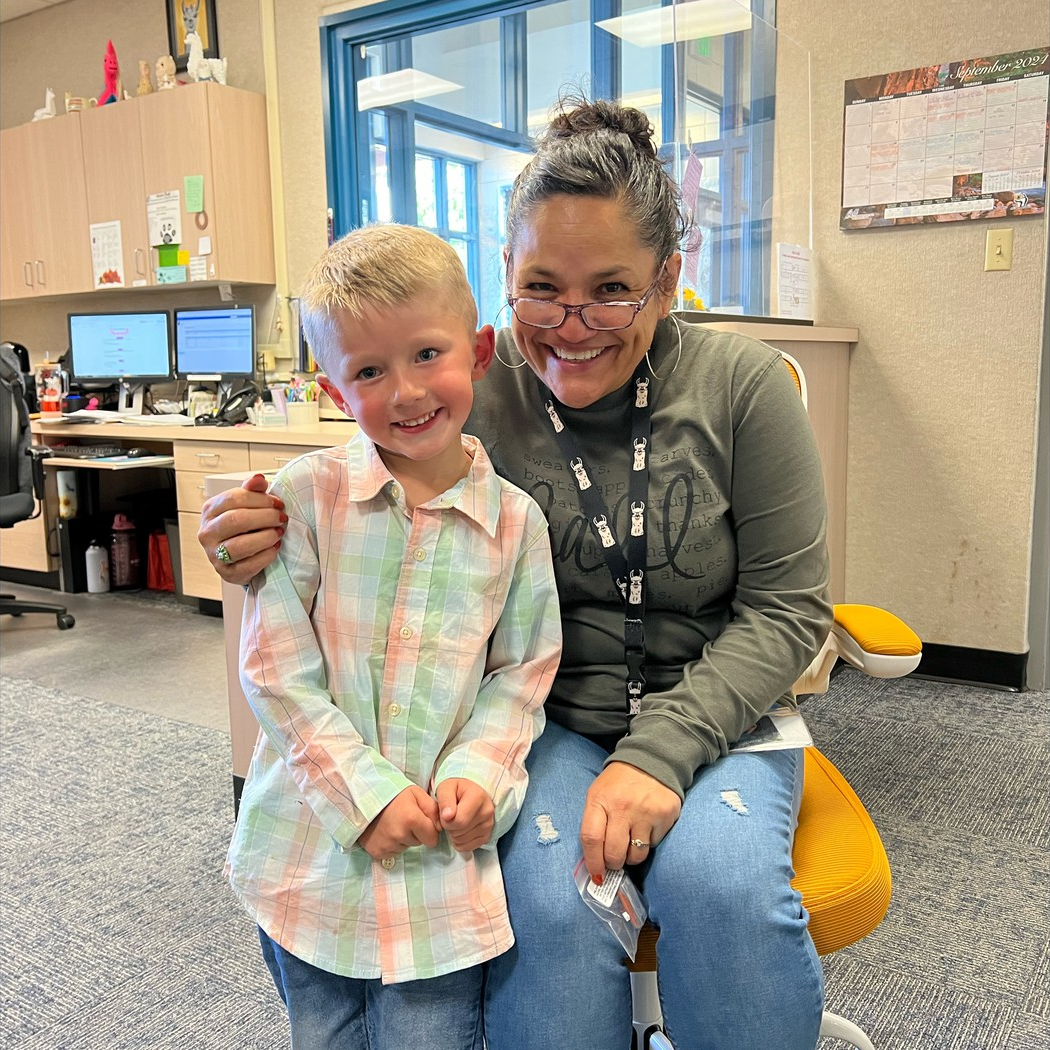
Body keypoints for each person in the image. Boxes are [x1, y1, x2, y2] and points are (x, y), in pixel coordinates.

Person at [202, 95, 833, 1050]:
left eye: (612, 289)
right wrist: (252, 526)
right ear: (505, 277)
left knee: (720, 891)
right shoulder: (468, 391)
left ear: (668, 279)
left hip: (723, 720)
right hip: (547, 722)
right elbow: (364, 487)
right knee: (547, 900)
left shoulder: (744, 390)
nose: (572, 327)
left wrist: (659, 757)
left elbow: (789, 614)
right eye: (543, 287)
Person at [224, 223, 562, 1050]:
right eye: (369, 371)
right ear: (336, 391)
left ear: (479, 352)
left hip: (438, 870)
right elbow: (277, 674)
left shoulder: (515, 524)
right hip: (307, 856)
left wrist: (484, 775)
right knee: (326, 1033)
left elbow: (521, 676)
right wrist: (362, 797)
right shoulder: (305, 500)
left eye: (426, 355)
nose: (405, 392)